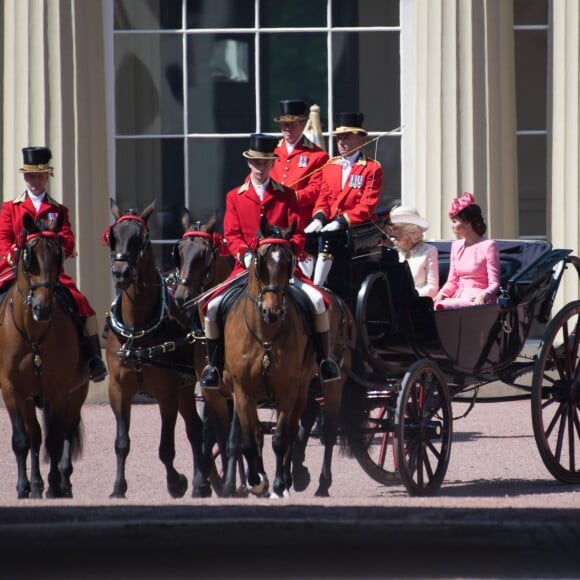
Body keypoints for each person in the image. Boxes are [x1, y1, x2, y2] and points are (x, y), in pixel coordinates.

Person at [198, 133, 340, 388]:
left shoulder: (286, 195)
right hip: (246, 268)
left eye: (265, 163)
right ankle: (215, 367)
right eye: (256, 163)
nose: (260, 168)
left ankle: (323, 360)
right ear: (248, 163)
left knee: (319, 301)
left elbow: (298, 233)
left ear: (272, 164)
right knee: (211, 307)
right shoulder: (235, 196)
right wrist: (246, 253)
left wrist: (287, 252)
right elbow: (231, 234)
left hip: (281, 269)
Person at [0, 146, 107, 381]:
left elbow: (68, 240)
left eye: (38, 176)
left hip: (48, 272)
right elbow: (3, 239)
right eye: (30, 176)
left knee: (82, 305)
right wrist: (14, 251)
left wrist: (54, 243)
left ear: (47, 176)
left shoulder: (58, 210)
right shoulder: (11, 208)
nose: (34, 181)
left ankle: (93, 358)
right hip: (17, 270)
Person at [304, 112, 383, 287]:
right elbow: (323, 198)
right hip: (329, 222)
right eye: (339, 138)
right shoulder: (330, 166)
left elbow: (367, 206)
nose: (341, 142)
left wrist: (342, 221)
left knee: (327, 238)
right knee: (307, 237)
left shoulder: (371, 168)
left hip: (352, 227)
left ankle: (317, 287)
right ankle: (304, 285)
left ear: (360, 140)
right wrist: (319, 218)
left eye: (346, 138)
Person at [269, 99, 329, 277]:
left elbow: (316, 189)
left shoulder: (317, 155)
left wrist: (288, 198)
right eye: (283, 125)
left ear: (303, 124)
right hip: (271, 225)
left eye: (291, 125)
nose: (286, 129)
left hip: (299, 229)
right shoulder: (271, 152)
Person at [433, 192, 500, 310]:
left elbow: (494, 283)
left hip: (477, 299)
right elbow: (452, 281)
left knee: (443, 307)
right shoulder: (456, 246)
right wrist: (441, 294)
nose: (452, 226)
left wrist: (483, 295)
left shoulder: (489, 246)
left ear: (468, 223)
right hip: (457, 296)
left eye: (455, 221)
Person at [389, 205, 439, 298]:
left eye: (395, 229)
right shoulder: (392, 252)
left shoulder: (429, 251)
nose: (391, 233)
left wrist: (410, 297)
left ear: (407, 231)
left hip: (418, 305)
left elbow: (432, 288)